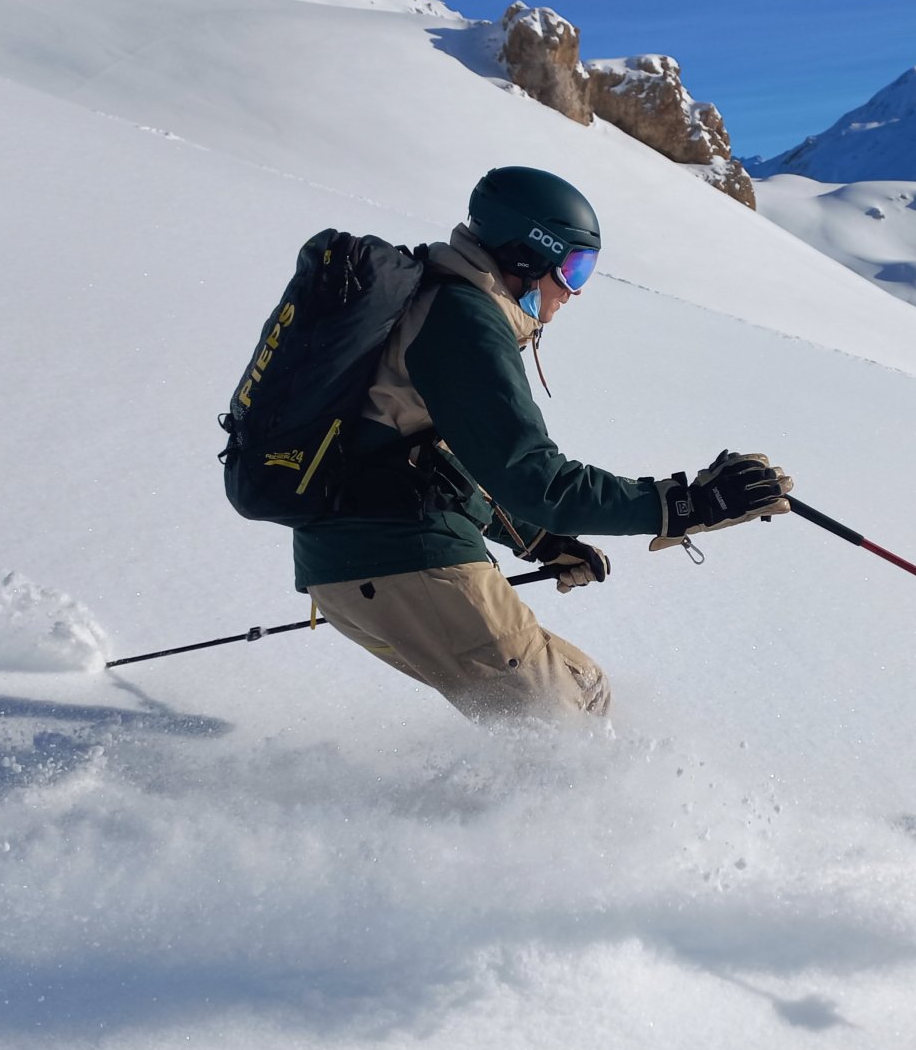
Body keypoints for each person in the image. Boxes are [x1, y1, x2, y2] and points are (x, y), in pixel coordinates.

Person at [293, 165, 791, 722]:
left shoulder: (436, 302)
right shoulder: (464, 319)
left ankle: (510, 810)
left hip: (352, 570)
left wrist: (538, 539)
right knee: (564, 721)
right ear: (528, 257)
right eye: (575, 267)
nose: (576, 291)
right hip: (403, 561)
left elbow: (432, 459)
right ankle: (552, 813)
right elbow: (536, 478)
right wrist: (687, 504)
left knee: (582, 697)